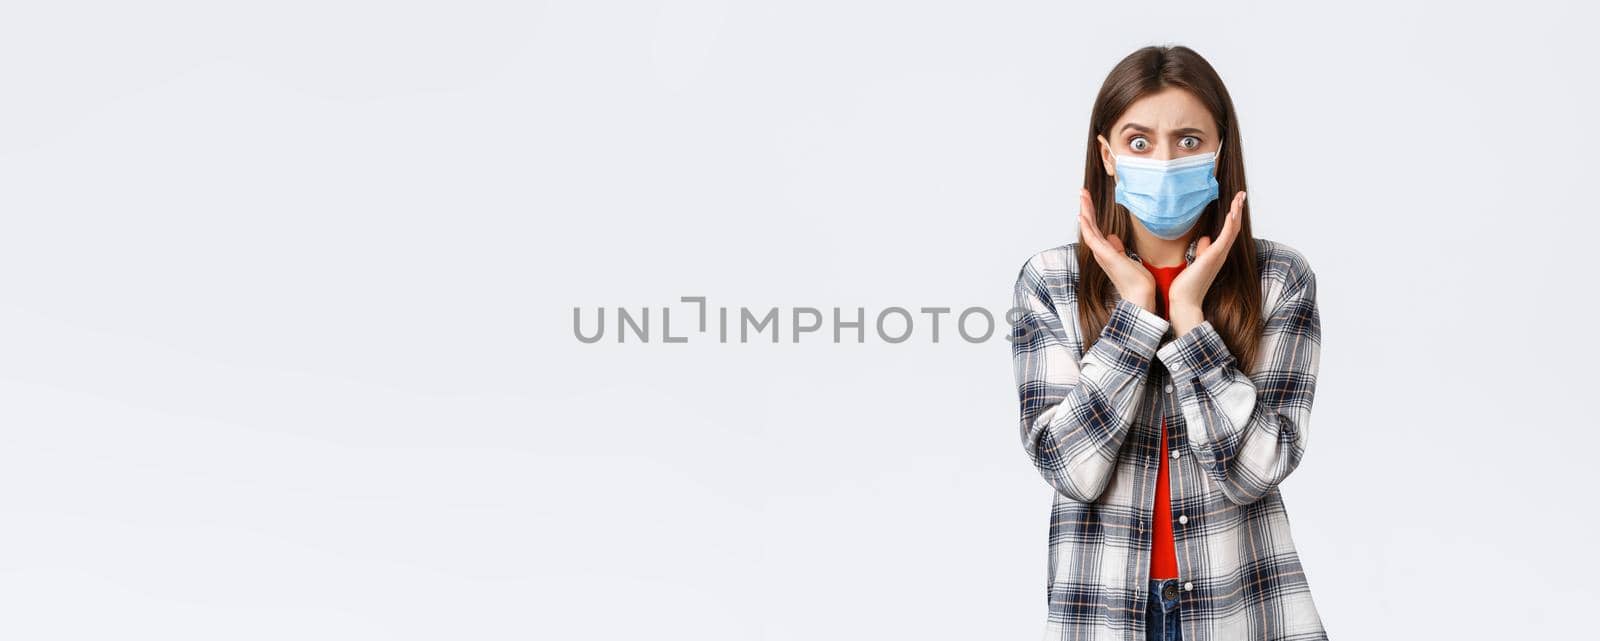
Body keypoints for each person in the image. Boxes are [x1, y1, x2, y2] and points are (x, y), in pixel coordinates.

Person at [1009, 45, 1327, 641]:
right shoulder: (1051, 283)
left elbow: (1259, 469)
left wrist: (1187, 315)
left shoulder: (1279, 280)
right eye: (1139, 142)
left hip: (1244, 612)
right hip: (1101, 613)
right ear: (1106, 155)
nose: (1163, 160)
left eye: (1187, 141)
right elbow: (1069, 469)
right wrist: (1133, 314)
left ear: (1218, 154)